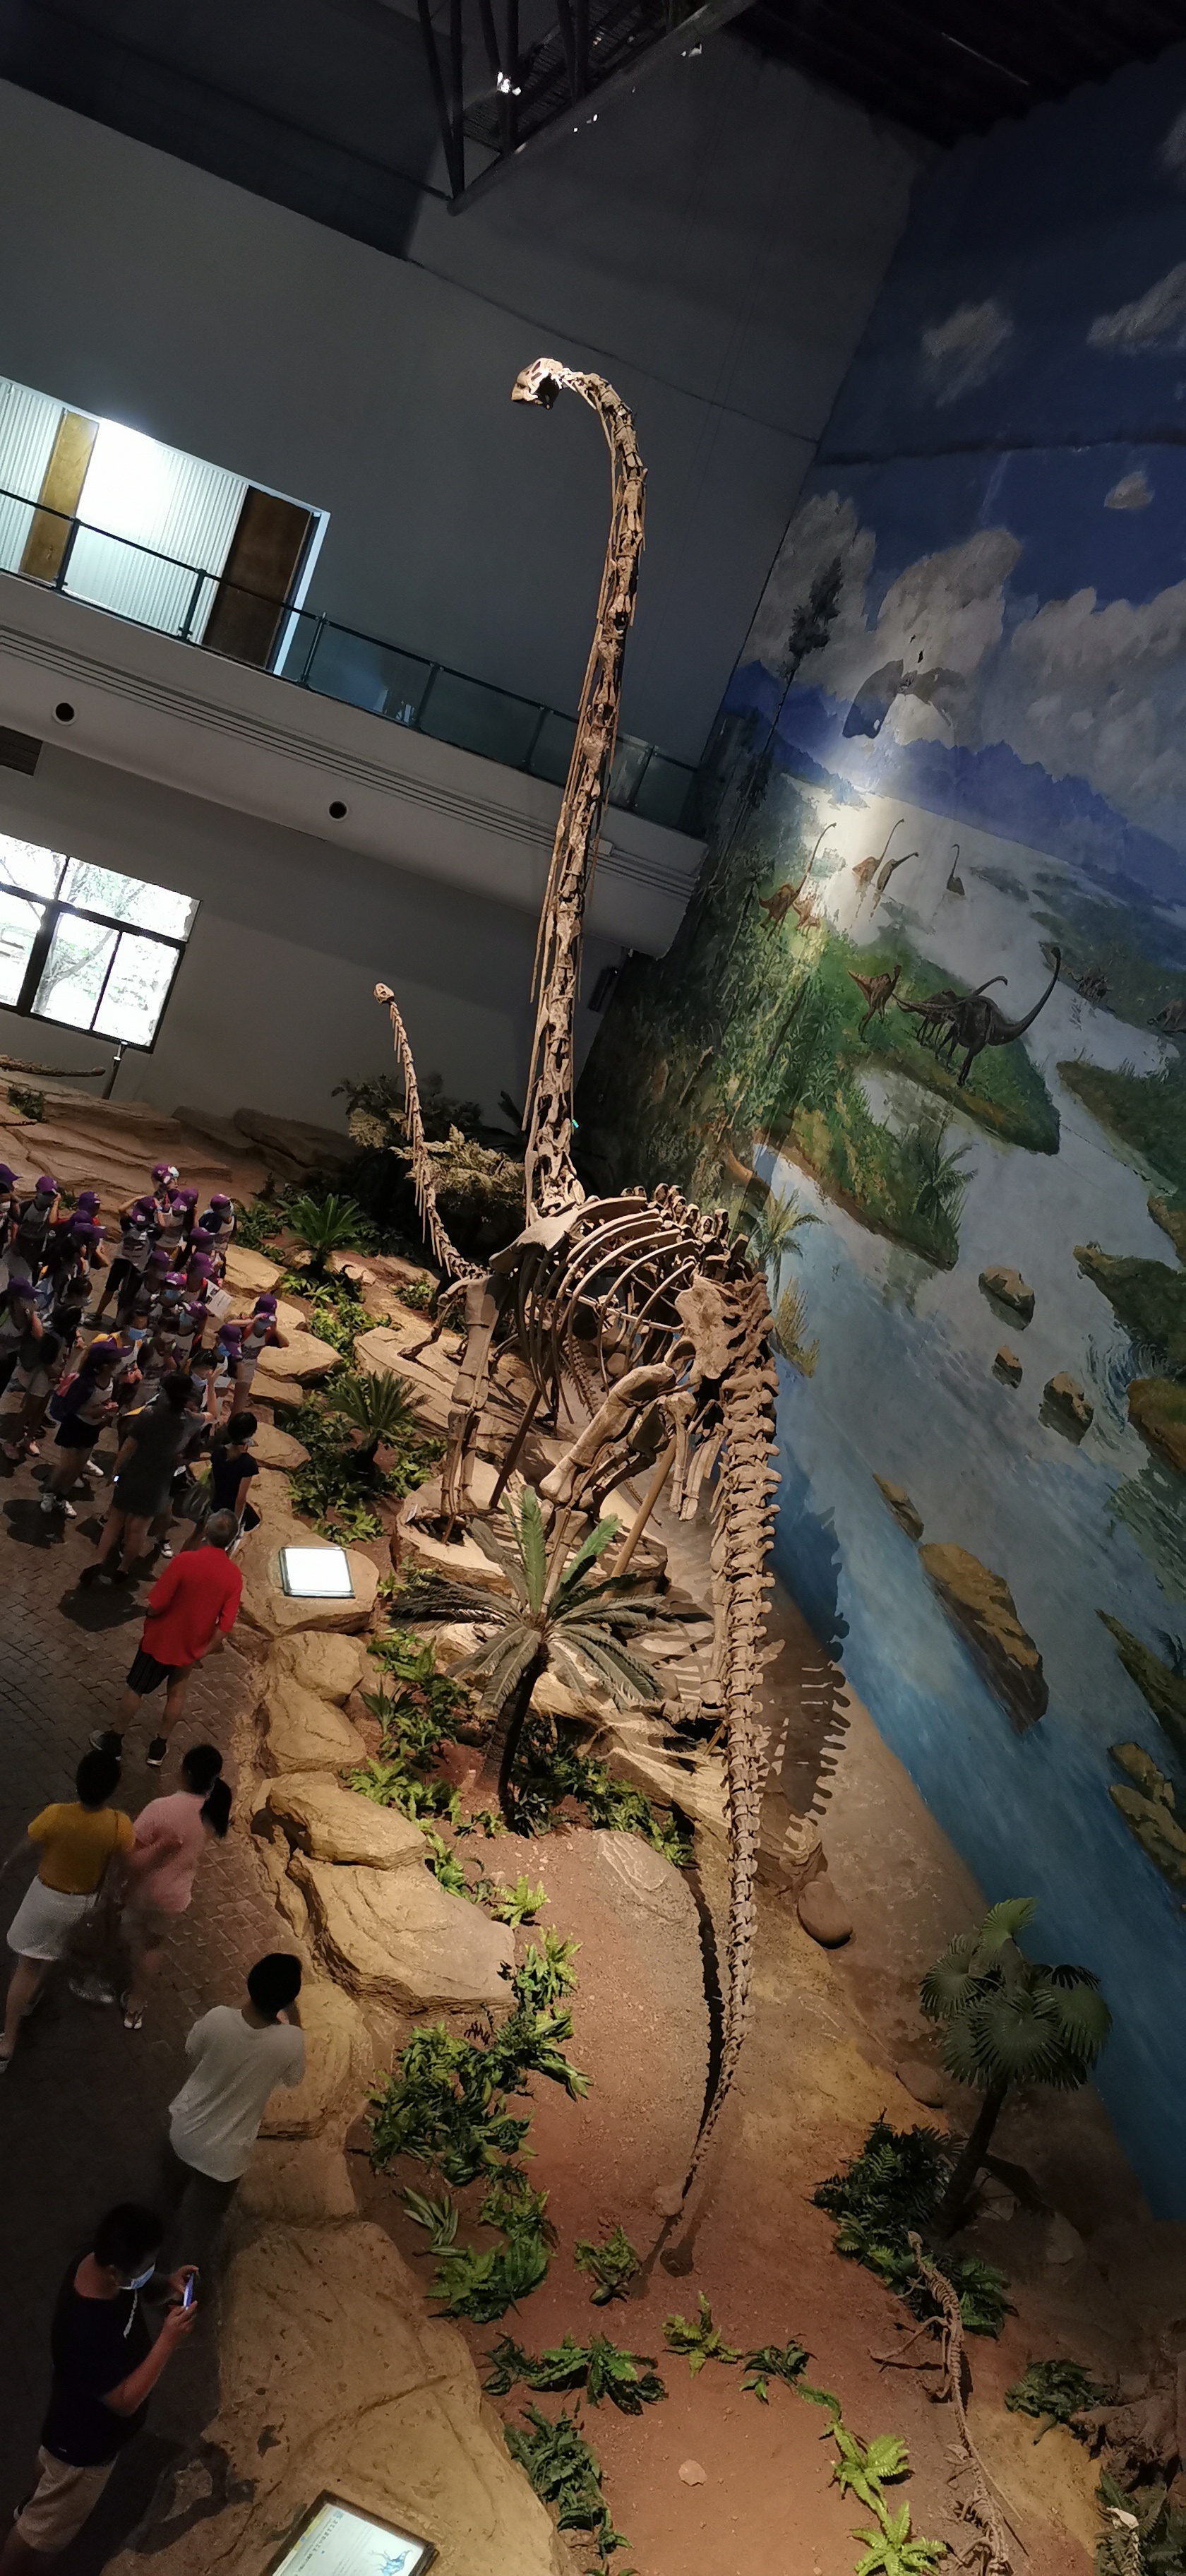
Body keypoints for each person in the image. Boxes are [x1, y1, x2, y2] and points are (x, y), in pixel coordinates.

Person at [0, 2204, 196, 2573]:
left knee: (47, 2489)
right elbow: (123, 2401)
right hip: (83, 2449)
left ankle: (32, 2507)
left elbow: (139, 2289)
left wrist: (165, 2282)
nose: (149, 2272)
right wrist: (167, 2341)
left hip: (68, 2430)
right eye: (145, 2268)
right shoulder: (85, 2330)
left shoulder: (97, 2264)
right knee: (38, 2533)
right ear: (114, 2272)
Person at [162, 1955, 304, 2265]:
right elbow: (293, 2079)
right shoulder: (290, 2042)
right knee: (200, 2230)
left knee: (162, 2199)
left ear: (250, 1980)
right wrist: (293, 2018)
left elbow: (192, 2049)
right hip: (225, 2159)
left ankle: (145, 2263)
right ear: (289, 1999)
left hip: (184, 2131)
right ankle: (182, 2287)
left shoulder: (218, 2019)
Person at [1, 1751, 133, 2069]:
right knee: (52, 1951)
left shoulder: (56, 1815)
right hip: (82, 1903)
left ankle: (7, 2041)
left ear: (78, 1781)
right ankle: (33, 1998)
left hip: (45, 1898)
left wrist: (7, 1867)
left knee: (27, 1964)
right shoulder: (119, 1825)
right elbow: (125, 1863)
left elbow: (27, 1846)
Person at [90, 1508, 242, 1765]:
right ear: (232, 1539)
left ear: (206, 1530)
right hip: (191, 1646)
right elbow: (225, 1626)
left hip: (161, 1639)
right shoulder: (234, 1576)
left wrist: (150, 1614)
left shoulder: (185, 1561)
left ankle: (115, 1741)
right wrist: (202, 1651)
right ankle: (158, 1749)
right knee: (177, 1694)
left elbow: (158, 1602)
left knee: (136, 1688)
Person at [119, 1748, 231, 2030]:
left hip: (145, 1891)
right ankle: (136, 2006)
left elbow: (132, 1860)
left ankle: (122, 1980)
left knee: (132, 1938)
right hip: (175, 1896)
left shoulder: (161, 1809)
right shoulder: (214, 1810)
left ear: (185, 1772)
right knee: (154, 1945)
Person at [77, 1374, 199, 1584]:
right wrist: (211, 1385)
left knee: (114, 1522)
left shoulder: (149, 1414)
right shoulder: (189, 1421)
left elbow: (129, 1446)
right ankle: (123, 1569)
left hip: (133, 1474)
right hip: (158, 1482)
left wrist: (116, 1470)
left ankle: (97, 1560)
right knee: (139, 1529)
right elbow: (212, 1415)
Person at [38, 1337, 120, 1519]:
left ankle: (62, 1497)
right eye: (115, 1361)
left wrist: (107, 1410)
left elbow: (106, 1401)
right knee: (66, 1466)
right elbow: (73, 1408)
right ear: (104, 1365)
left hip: (91, 1428)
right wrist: (98, 1411)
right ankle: (49, 1492)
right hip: (75, 1426)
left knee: (78, 1467)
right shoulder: (85, 1383)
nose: (118, 1364)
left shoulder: (112, 1381)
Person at [0, 1326, 64, 1462]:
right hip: (42, 1378)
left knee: (40, 1410)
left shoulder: (64, 1336)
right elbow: (46, 1362)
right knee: (28, 1411)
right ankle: (10, 1442)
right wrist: (54, 1375)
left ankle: (29, 1438)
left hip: (52, 1379)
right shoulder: (53, 1338)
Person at [92, 1197, 155, 1325]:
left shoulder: (152, 1230)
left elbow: (164, 1226)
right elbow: (121, 1210)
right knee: (110, 1288)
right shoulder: (129, 1224)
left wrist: (159, 1209)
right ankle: (98, 1314)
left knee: (128, 1296)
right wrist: (136, 1199)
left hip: (137, 1266)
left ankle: (119, 1322)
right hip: (122, 1260)